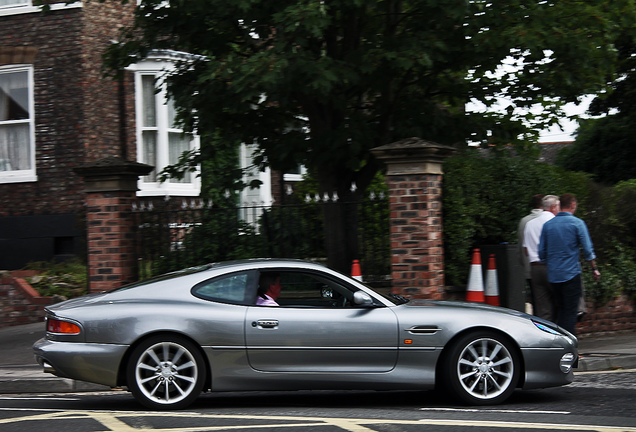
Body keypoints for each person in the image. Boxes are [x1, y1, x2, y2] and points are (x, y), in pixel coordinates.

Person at [538, 194, 601, 335]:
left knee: (560, 309)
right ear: (573, 205)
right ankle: (568, 346)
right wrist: (594, 268)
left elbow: (541, 253)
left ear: (560, 206)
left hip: (553, 276)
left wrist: (551, 262)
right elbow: (587, 250)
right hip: (571, 274)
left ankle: (559, 343)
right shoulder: (577, 223)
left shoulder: (548, 226)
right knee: (571, 311)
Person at [523, 195, 560, 321]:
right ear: (553, 207)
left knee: (542, 309)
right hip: (551, 267)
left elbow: (526, 250)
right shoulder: (555, 223)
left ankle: (545, 337)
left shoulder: (529, 224)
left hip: (535, 268)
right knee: (559, 304)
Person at [517, 194, 545, 307]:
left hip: (529, 268)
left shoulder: (523, 221)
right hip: (546, 268)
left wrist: (523, 264)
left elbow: (520, 247)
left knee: (535, 301)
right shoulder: (548, 219)